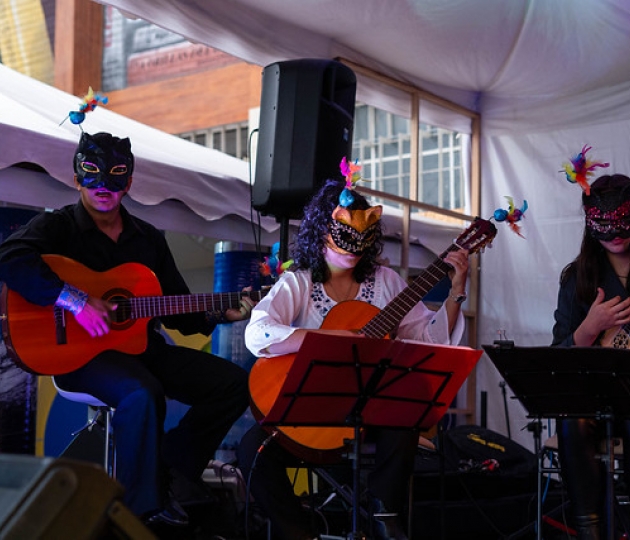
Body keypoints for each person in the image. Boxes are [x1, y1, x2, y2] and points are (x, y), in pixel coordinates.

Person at [0, 132, 252, 527]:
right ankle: (142, 509)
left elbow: (177, 310)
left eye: (115, 175)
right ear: (77, 178)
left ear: (129, 181)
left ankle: (172, 468)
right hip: (79, 356)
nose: (103, 186)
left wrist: (223, 313)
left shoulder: (148, 239)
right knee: (141, 391)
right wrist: (76, 301)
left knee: (233, 383)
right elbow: (9, 258)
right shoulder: (58, 226)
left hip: (140, 348)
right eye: (92, 175)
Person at [238, 166, 470, 540]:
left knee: (405, 407)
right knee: (253, 451)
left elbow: (428, 341)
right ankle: (301, 532)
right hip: (312, 410)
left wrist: (455, 291)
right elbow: (258, 332)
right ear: (321, 231)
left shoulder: (387, 282)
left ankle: (386, 515)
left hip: (370, 410)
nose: (351, 247)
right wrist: (325, 337)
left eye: (362, 237)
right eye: (342, 235)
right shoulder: (298, 282)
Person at [552, 173, 630, 540]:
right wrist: (589, 327)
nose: (615, 232)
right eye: (605, 223)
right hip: (595, 394)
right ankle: (590, 529)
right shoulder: (577, 278)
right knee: (572, 420)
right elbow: (557, 356)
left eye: (623, 221)